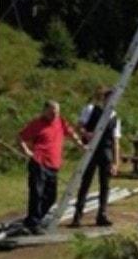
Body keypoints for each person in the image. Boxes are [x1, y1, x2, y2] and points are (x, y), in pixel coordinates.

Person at [18, 100, 84, 234]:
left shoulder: (61, 121)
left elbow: (71, 133)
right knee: (37, 193)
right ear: (45, 111)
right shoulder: (37, 124)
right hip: (39, 162)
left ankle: (33, 219)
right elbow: (20, 137)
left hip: (53, 164)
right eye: (52, 112)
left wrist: (81, 145)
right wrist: (26, 151)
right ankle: (33, 223)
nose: (55, 114)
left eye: (57, 112)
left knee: (51, 196)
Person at [70, 87, 122, 228]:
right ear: (104, 99)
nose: (113, 101)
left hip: (106, 152)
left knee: (105, 185)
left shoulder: (115, 117)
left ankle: (102, 215)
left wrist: (116, 163)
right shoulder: (90, 109)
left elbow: (116, 142)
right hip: (91, 150)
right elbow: (78, 127)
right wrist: (86, 134)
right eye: (110, 98)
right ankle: (77, 216)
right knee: (85, 183)